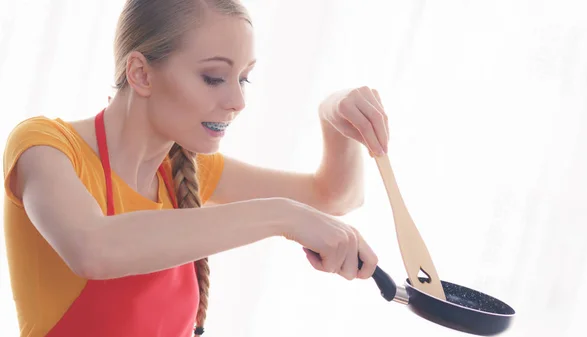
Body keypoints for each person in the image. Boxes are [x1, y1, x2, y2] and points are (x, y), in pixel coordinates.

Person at [2, 0, 390, 336]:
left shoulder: (184, 171)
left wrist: (335, 116)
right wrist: (281, 216)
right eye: (214, 78)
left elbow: (334, 197)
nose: (238, 100)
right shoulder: (44, 147)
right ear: (140, 73)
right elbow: (93, 248)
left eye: (244, 78)